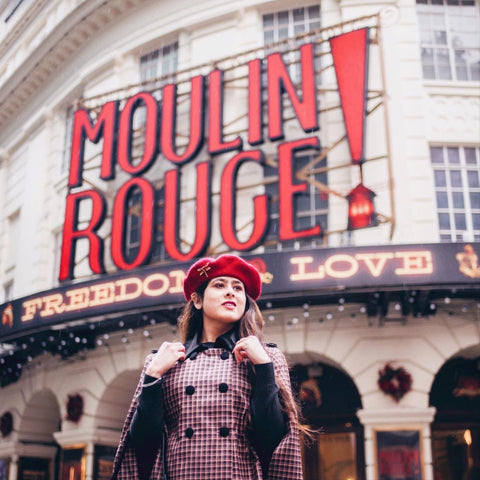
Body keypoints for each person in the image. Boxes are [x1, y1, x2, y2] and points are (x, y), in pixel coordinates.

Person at [111, 254, 304, 480]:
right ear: (198, 300)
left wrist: (264, 368)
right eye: (219, 285)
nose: (230, 292)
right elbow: (143, 445)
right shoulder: (164, 360)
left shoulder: (266, 356)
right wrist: (152, 376)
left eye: (238, 288)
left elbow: (274, 441)